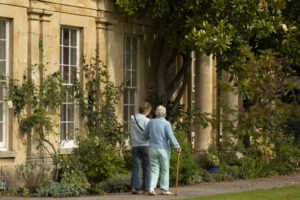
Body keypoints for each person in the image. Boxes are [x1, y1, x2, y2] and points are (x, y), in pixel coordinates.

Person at [143, 105, 181, 196]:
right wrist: (177, 146)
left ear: (156, 113)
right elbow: (170, 136)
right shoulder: (166, 123)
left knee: (154, 169)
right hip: (163, 149)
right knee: (164, 169)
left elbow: (145, 134)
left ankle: (151, 188)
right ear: (164, 114)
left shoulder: (151, 122)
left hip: (152, 148)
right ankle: (164, 189)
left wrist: (152, 136)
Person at [130, 102, 152, 194]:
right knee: (147, 166)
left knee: (136, 166)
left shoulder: (132, 118)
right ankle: (146, 189)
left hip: (135, 145)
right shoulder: (147, 121)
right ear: (147, 111)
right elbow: (149, 134)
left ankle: (135, 187)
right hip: (146, 145)